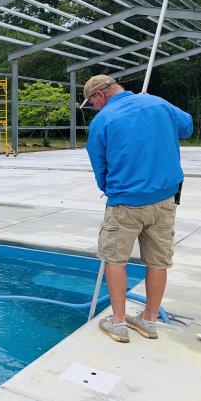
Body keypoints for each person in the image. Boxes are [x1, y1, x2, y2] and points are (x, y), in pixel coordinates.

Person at [81, 75, 193, 343]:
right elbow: (187, 127)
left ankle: (118, 323)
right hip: (165, 201)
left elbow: (100, 168)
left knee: (115, 260)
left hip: (125, 203)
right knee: (158, 262)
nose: (94, 109)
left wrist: (114, 189)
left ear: (101, 95)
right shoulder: (158, 104)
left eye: (92, 103)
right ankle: (149, 320)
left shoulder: (103, 121)